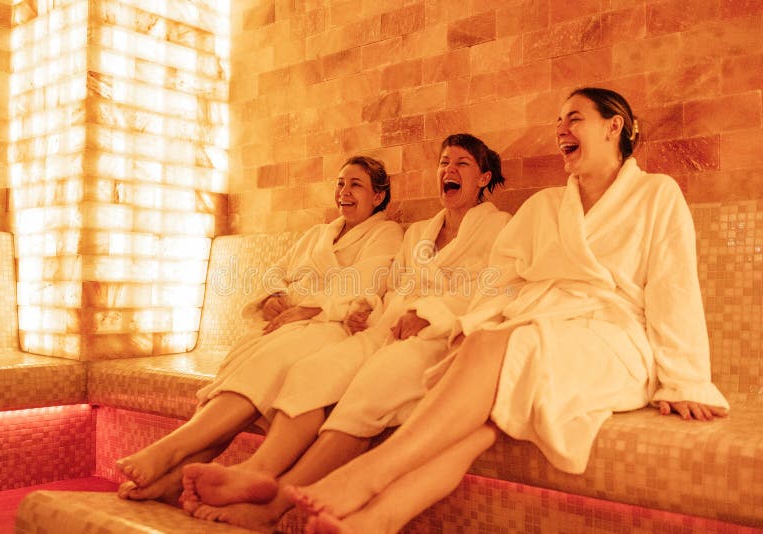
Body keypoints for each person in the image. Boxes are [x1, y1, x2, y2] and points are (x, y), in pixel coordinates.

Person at [283, 87, 731, 534]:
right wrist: (469, 322)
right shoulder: (546, 206)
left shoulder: (656, 194)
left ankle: (368, 474)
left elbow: (675, 287)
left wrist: (685, 380)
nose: (560, 129)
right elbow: (502, 285)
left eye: (574, 118)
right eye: (558, 121)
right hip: (542, 328)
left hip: (615, 341)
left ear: (614, 127)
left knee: (502, 345)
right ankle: (378, 520)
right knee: (483, 414)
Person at [178, 133, 513, 529]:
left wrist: (432, 315)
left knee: (370, 389)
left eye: (461, 164)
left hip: (442, 339)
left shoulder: (500, 229)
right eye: (443, 162)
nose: (449, 170)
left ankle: (277, 501)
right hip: (386, 330)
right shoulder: (419, 232)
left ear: (483, 178)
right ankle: (259, 471)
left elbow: (497, 293)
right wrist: (364, 309)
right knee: (312, 371)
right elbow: (389, 289)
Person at [115, 155, 404, 504]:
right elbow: (275, 272)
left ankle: (171, 450)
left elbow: (366, 281)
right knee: (247, 364)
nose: (344, 192)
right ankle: (175, 475)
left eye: (356, 184)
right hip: (288, 326)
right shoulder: (318, 234)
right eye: (340, 183)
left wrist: (306, 308)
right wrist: (275, 297)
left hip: (330, 327)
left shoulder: (387, 232)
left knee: (269, 363)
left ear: (378, 196)